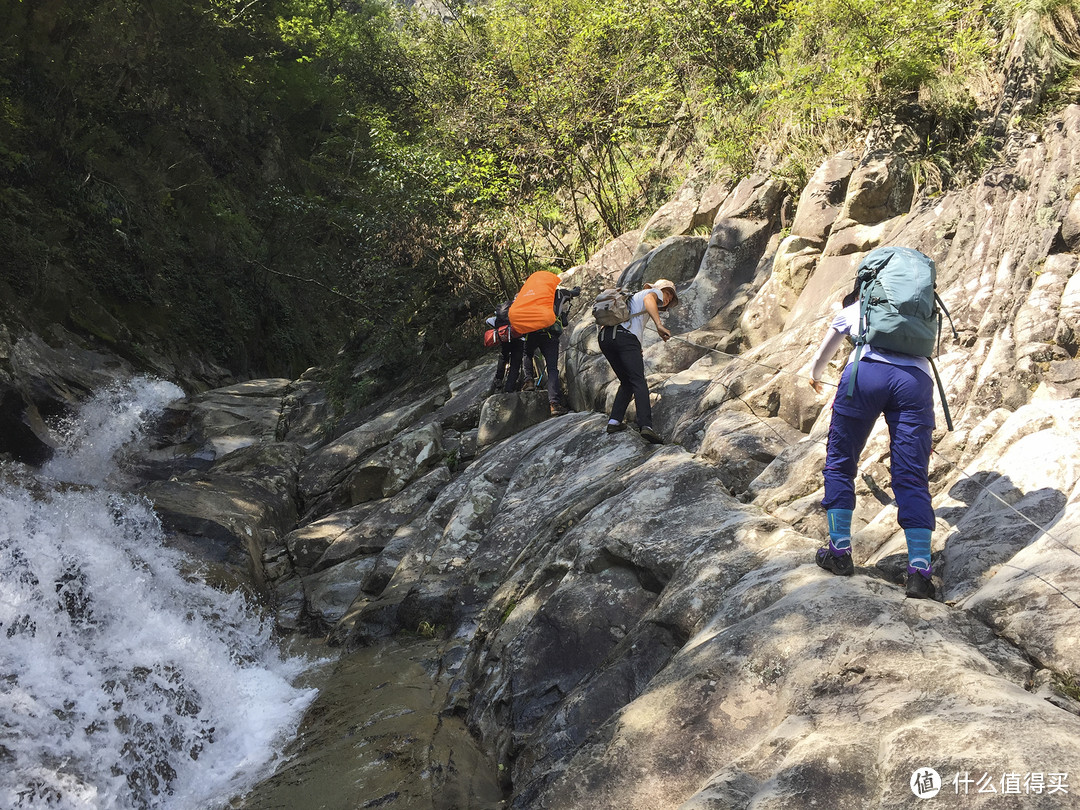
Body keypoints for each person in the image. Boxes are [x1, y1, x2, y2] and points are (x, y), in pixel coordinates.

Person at [808, 274, 937, 600]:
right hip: (916, 382)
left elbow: (823, 355)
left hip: (864, 376)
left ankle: (839, 551)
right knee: (912, 477)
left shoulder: (857, 307)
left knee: (840, 463)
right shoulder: (916, 314)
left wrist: (814, 375)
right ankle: (919, 573)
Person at [598, 279, 678, 444]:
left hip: (606, 338)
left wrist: (635, 348)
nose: (668, 298)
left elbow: (631, 324)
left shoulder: (633, 299)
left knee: (627, 382)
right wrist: (659, 325)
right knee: (638, 381)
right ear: (658, 289)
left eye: (671, 297)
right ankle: (646, 426)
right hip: (625, 339)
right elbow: (650, 300)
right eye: (668, 293)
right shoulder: (652, 294)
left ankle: (614, 421)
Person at [507, 285, 580, 415]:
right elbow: (575, 293)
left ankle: (529, 381)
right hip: (550, 335)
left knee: (527, 354)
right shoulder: (557, 294)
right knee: (552, 369)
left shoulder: (526, 298)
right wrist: (575, 289)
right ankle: (554, 404)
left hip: (532, 334)